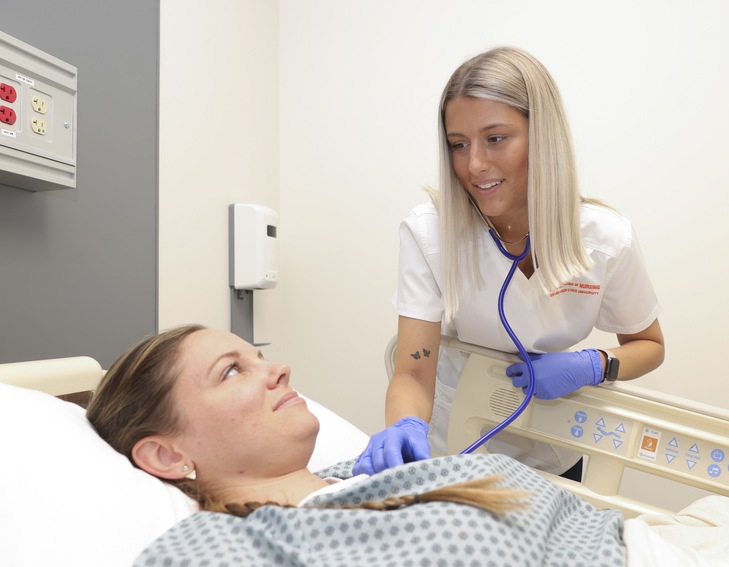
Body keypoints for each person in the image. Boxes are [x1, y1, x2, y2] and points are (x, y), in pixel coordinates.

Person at [354, 46, 664, 479]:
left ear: (543, 135)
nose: (475, 165)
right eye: (458, 145)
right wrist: (405, 425)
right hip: (454, 448)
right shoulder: (430, 234)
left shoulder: (605, 238)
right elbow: (412, 371)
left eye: (495, 138)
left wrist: (595, 363)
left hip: (553, 454)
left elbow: (648, 346)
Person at [86, 325, 626, 566]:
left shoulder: (356, 472)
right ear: (165, 455)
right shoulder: (215, 549)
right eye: (232, 372)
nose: (279, 369)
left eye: (259, 355)